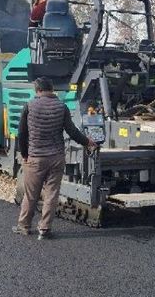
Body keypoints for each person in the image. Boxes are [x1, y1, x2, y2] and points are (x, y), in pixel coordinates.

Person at [15, 77, 96, 239]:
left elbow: (22, 134)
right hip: (56, 157)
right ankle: (44, 229)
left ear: (37, 90)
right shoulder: (62, 107)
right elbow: (72, 131)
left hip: (36, 157)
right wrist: (88, 142)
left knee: (31, 194)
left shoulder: (30, 106)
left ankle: (24, 226)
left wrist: (24, 154)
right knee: (51, 194)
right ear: (52, 89)